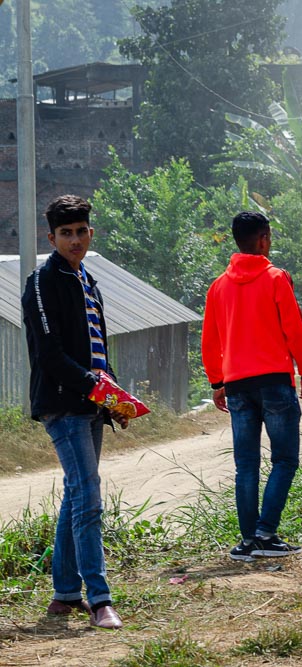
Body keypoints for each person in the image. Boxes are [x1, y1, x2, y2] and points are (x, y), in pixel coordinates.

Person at [21, 195, 126, 629]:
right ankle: (99, 598)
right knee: (88, 495)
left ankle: (64, 595)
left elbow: (97, 346)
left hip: (92, 403)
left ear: (90, 232)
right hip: (62, 404)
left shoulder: (87, 279)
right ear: (52, 237)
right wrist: (95, 389)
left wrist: (114, 397)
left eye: (81, 231)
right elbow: (50, 354)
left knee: (76, 495)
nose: (75, 240)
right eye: (66, 234)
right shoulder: (42, 282)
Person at [202, 211, 302, 562]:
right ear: (264, 238)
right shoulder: (276, 278)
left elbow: (210, 341)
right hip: (274, 383)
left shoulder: (219, 286)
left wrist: (217, 381)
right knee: (284, 459)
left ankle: (248, 540)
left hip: (237, 385)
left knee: (246, 465)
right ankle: (267, 532)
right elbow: (294, 329)